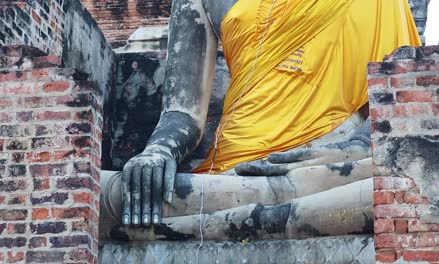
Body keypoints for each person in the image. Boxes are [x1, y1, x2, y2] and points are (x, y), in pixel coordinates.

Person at [120, 0, 421, 226]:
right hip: (234, 170)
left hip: (328, 162)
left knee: (393, 188)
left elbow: (398, 103)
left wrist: (349, 151)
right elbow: (182, 112)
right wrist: (159, 151)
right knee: (122, 195)